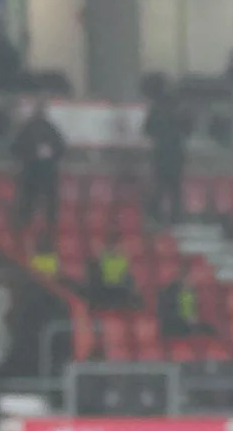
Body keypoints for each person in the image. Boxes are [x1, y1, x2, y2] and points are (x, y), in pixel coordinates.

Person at [8, 99, 64, 246]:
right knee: (30, 196)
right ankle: (26, 220)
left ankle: (47, 220)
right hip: (34, 168)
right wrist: (30, 154)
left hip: (43, 169)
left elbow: (61, 147)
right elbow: (16, 148)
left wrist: (51, 154)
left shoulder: (48, 129)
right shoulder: (29, 129)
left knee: (46, 196)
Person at [142, 76, 191, 227]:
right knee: (170, 188)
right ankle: (171, 218)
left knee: (165, 187)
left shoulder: (158, 108)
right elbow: (188, 129)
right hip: (170, 152)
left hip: (166, 152)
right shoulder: (178, 107)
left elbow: (147, 129)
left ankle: (162, 216)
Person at [156, 260, 208, 338]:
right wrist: (186, 319)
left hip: (189, 326)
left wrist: (193, 319)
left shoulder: (192, 292)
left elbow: (194, 313)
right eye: (191, 277)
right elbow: (166, 315)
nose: (194, 281)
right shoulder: (169, 292)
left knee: (209, 331)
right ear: (183, 276)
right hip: (175, 328)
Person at [84, 238, 139, 309]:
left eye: (116, 247)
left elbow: (126, 272)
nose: (115, 249)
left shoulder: (123, 259)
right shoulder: (105, 258)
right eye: (113, 247)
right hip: (105, 286)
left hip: (121, 287)